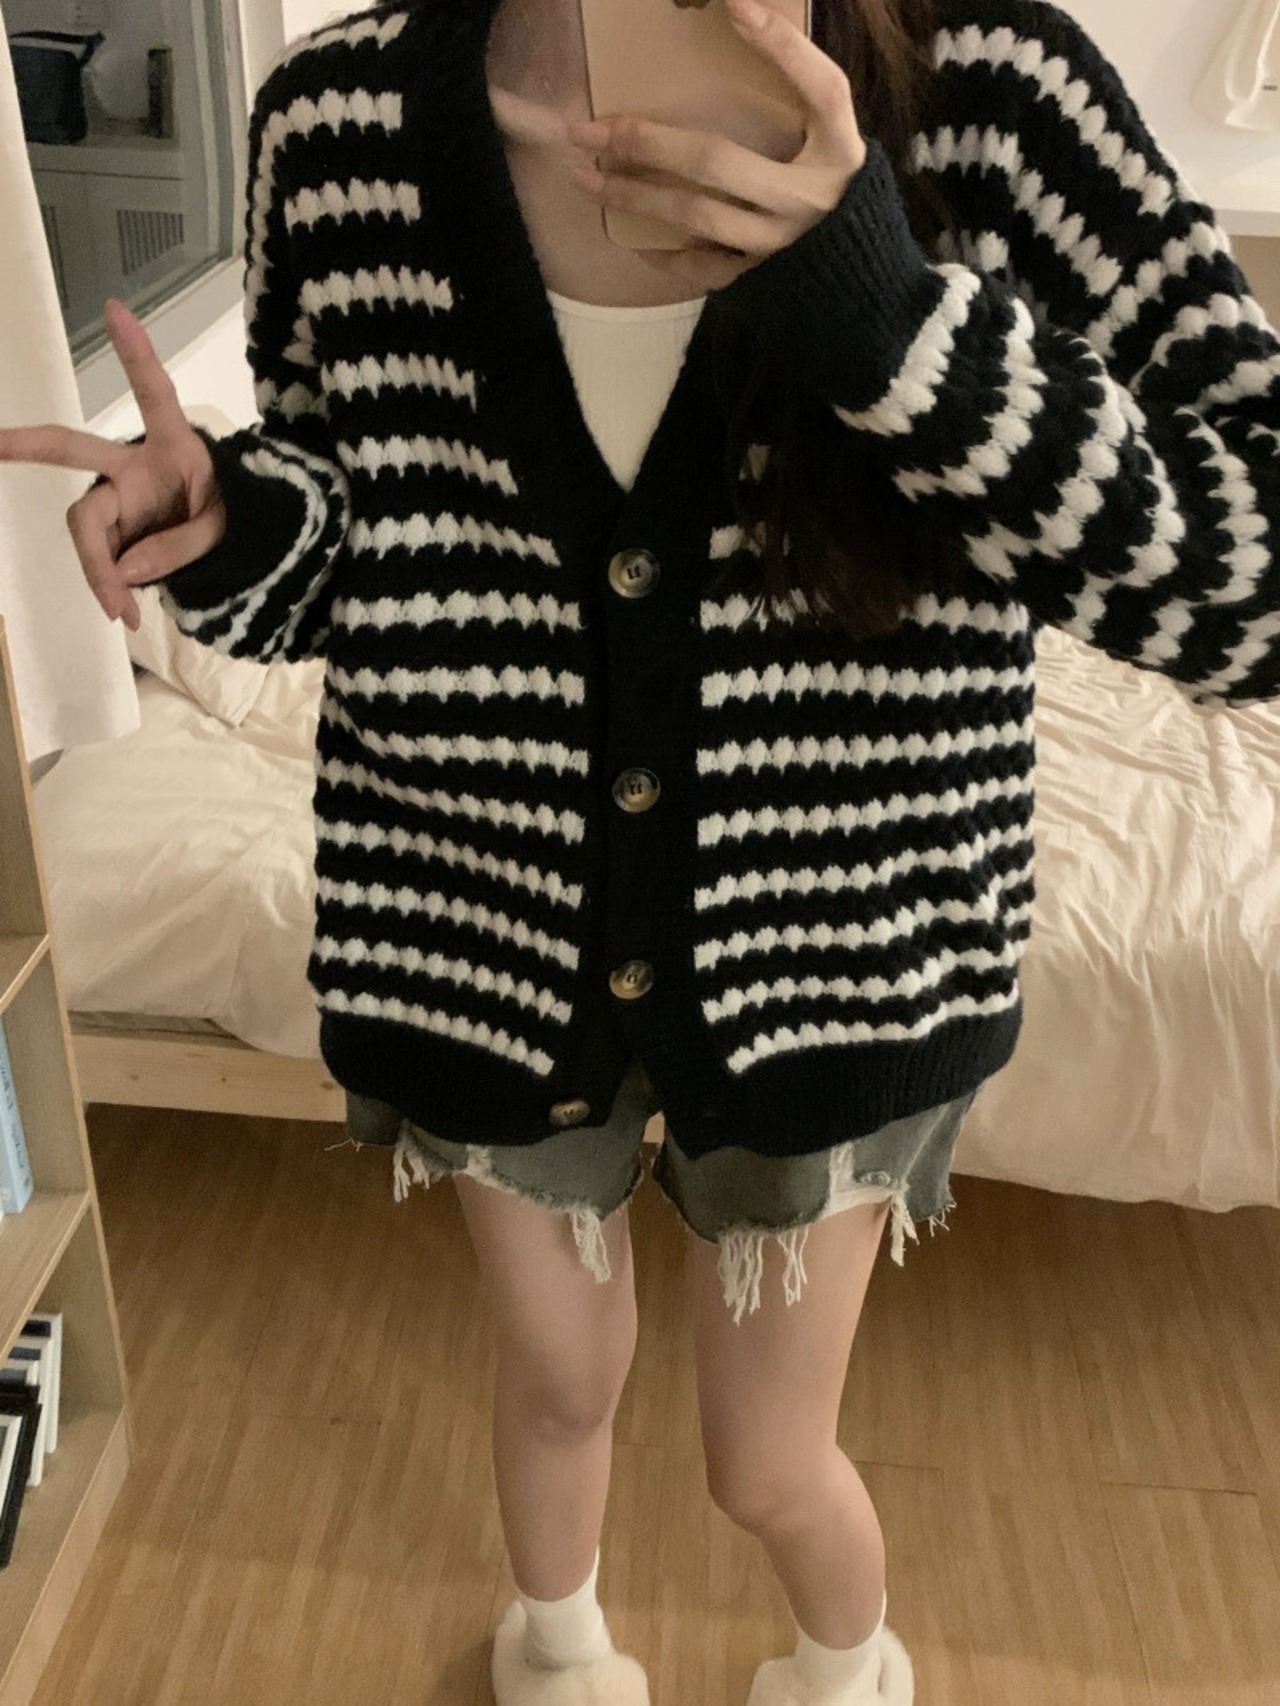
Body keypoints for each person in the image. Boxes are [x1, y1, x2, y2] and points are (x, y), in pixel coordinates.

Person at [2, 0, 1277, 1700]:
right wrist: (230, 522)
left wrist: (889, 317)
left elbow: (1256, 578)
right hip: (482, 917)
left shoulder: (994, 90)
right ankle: (557, 1647)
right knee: (553, 1382)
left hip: (832, 942)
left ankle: (847, 1667)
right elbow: (356, 535)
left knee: (768, 1460)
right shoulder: (339, 118)